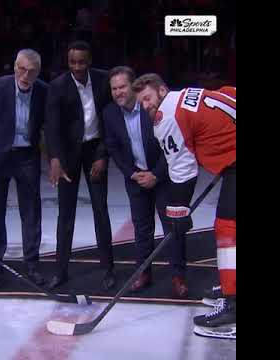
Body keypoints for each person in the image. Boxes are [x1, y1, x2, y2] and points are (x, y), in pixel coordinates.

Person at [132, 73, 236, 331]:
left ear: (162, 90)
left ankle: (233, 304)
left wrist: (177, 213)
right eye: (141, 104)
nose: (146, 107)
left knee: (227, 229)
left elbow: (182, 169)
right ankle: (230, 286)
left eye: (147, 98)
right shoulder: (188, 93)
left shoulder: (166, 117)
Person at [103, 66, 190, 297]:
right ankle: (143, 273)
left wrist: (156, 175)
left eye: (122, 87)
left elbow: (169, 146)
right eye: (114, 88)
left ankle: (178, 276)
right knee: (142, 230)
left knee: (172, 228)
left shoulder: (151, 108)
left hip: (162, 177)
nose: (118, 92)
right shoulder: (110, 113)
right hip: (136, 179)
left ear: (132, 87)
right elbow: (113, 147)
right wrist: (132, 173)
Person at [44, 40, 116, 290]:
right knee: (66, 215)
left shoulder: (103, 80)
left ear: (90, 61)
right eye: (72, 62)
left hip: (95, 150)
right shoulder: (57, 86)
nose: (77, 66)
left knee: (100, 210)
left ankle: (108, 269)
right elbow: (51, 127)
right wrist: (55, 159)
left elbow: (110, 121)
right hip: (68, 156)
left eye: (82, 62)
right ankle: (60, 271)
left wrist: (103, 155)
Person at [0, 49, 49, 289]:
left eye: (31, 71)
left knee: (31, 213)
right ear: (14, 66)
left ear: (38, 72)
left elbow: (45, 125)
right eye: (22, 68)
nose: (25, 75)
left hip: (27, 156)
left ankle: (32, 265)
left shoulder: (43, 91)